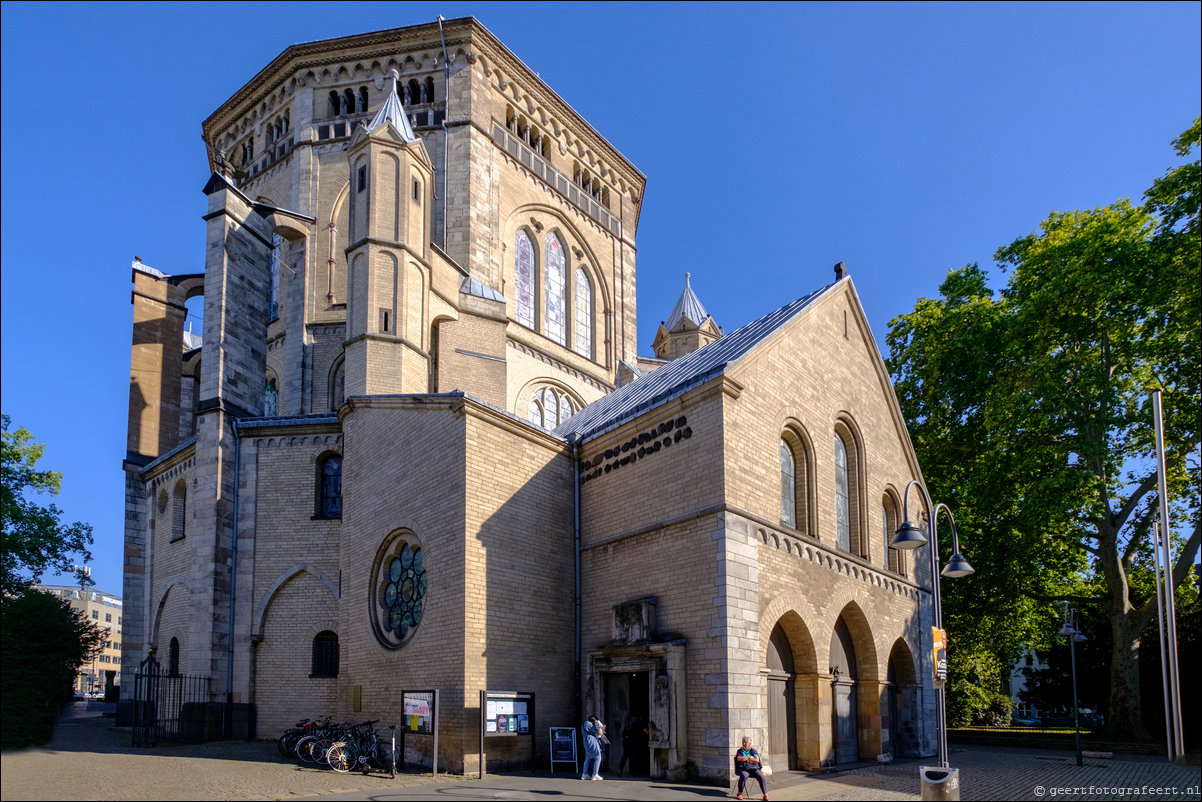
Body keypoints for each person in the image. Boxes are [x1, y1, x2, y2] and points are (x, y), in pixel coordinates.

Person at [734, 736, 769, 801]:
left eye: (745, 742)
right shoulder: (740, 751)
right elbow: (739, 758)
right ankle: (739, 793)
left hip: (753, 769)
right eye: (743, 742)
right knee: (744, 775)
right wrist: (750, 758)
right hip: (743, 769)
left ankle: (765, 795)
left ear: (749, 744)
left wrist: (745, 758)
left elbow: (757, 760)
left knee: (761, 776)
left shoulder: (753, 750)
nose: (744, 744)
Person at [581, 714, 605, 781]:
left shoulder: (584, 725)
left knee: (588, 757)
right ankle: (595, 774)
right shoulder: (589, 724)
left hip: (586, 742)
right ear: (594, 720)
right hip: (592, 742)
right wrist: (599, 725)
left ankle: (584, 774)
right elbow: (599, 732)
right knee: (598, 756)